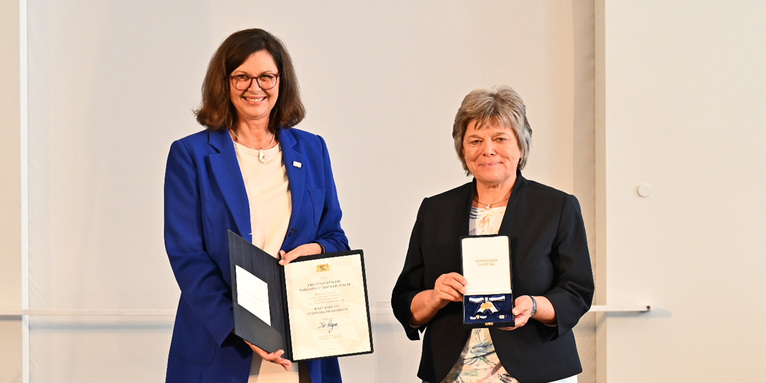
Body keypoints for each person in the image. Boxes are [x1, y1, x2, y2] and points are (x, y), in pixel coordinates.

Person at [164, 28, 348, 383]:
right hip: (222, 345)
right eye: (242, 77)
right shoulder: (191, 155)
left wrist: (315, 248)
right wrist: (240, 326)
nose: (255, 87)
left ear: (281, 81)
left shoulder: (312, 150)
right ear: (224, 82)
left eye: (266, 76)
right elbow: (187, 255)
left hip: (302, 345)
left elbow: (334, 237)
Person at [391, 86, 594, 383]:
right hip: (452, 373)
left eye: (500, 139)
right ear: (463, 149)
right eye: (475, 140)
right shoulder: (434, 210)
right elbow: (404, 301)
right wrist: (435, 296)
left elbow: (577, 292)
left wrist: (534, 307)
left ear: (521, 146)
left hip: (537, 370)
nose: (487, 150)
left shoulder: (557, 206)